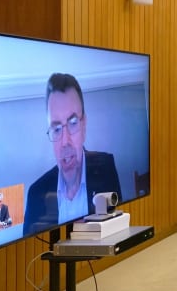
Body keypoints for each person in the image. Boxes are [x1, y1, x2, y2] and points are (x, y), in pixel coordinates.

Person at [24, 73, 122, 235]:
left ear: (84, 126)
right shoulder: (36, 192)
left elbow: (115, 223)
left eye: (73, 123)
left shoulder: (105, 166)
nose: (65, 141)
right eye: (56, 129)